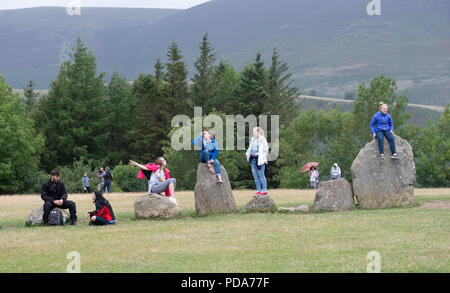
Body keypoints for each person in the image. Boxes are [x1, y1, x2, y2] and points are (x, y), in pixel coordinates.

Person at [246, 127, 269, 197]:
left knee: (261, 175)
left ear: (258, 132)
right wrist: (247, 153)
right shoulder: (253, 139)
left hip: (260, 160)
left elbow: (266, 150)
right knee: (255, 176)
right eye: (253, 132)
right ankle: (258, 191)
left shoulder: (263, 140)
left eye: (254, 132)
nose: (253, 133)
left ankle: (264, 190)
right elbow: (250, 148)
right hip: (253, 159)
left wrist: (261, 156)